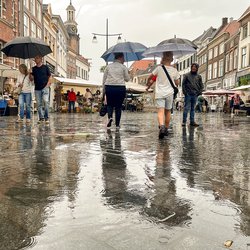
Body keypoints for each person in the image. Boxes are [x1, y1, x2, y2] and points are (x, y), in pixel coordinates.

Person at [146, 51, 180, 139]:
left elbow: (150, 77)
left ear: (162, 59)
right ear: (172, 60)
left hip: (160, 93)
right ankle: (166, 128)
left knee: (160, 111)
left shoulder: (159, 68)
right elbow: (177, 83)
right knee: (168, 111)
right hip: (170, 93)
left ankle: (161, 127)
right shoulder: (174, 70)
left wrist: (147, 83)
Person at [102, 52, 130, 129]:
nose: (124, 60)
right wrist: (128, 72)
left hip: (109, 87)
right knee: (118, 106)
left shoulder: (108, 67)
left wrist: (103, 91)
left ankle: (110, 117)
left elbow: (104, 79)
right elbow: (127, 79)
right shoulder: (123, 67)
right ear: (120, 58)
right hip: (120, 88)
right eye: (123, 58)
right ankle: (117, 125)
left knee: (110, 104)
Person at [29, 55, 51, 123]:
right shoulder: (34, 68)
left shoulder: (45, 67)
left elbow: (50, 77)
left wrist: (47, 85)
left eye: (36, 58)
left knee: (46, 101)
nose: (35, 60)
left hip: (45, 88)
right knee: (39, 104)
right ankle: (41, 118)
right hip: (37, 89)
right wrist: (30, 73)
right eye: (35, 58)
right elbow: (31, 79)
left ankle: (46, 117)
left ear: (40, 59)